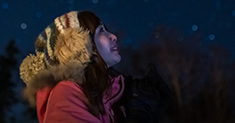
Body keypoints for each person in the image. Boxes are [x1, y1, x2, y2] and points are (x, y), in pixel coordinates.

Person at [20, 10, 170, 123]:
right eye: (101, 31)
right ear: (78, 46)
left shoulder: (113, 93)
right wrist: (141, 115)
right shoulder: (65, 93)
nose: (113, 36)